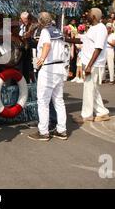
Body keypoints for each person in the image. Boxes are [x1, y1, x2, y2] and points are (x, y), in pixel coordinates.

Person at [28, 12, 68, 141]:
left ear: (40, 22)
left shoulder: (45, 32)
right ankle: (62, 130)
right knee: (59, 100)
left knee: (43, 101)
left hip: (49, 68)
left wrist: (41, 59)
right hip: (60, 67)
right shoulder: (58, 31)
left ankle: (43, 132)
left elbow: (47, 45)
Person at [67, 8, 110, 124]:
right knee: (93, 90)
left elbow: (98, 48)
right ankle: (102, 112)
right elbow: (83, 41)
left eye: (89, 14)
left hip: (94, 64)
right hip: (89, 63)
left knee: (89, 90)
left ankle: (87, 116)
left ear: (94, 17)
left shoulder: (101, 29)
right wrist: (66, 39)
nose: (87, 15)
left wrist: (90, 65)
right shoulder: (93, 28)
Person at [19, 12, 34, 83]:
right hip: (19, 53)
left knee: (27, 73)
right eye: (22, 19)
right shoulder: (20, 27)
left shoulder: (32, 27)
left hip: (28, 53)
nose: (22, 21)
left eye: (24, 19)